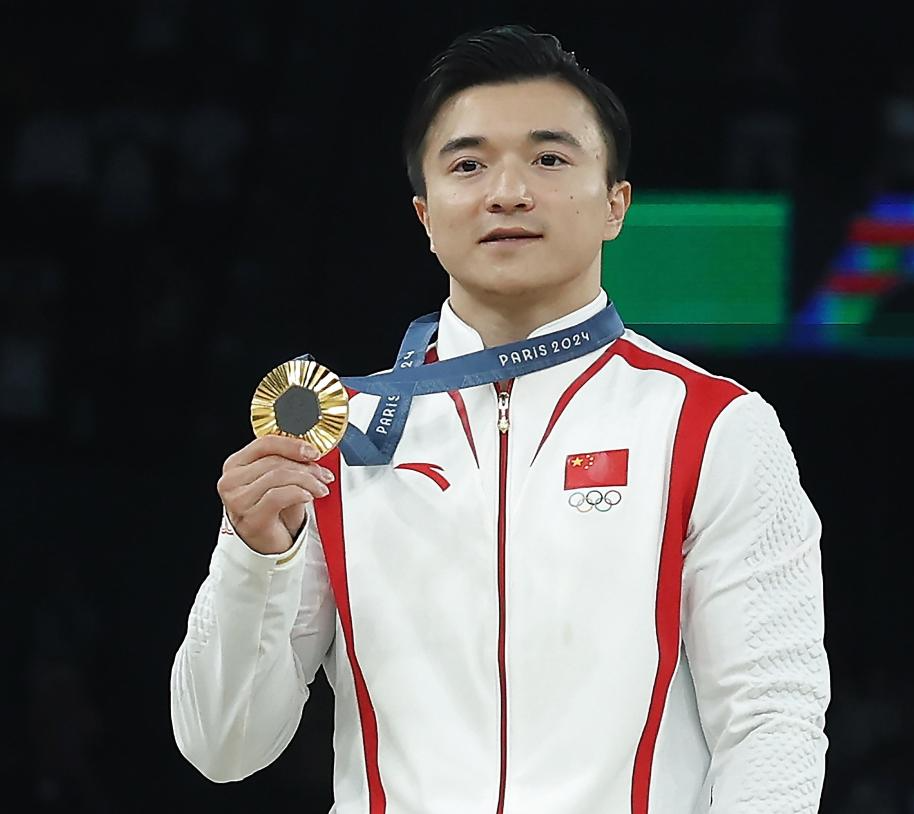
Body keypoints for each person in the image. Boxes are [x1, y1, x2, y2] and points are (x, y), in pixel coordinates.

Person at [171, 24, 831, 813]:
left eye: (549, 159)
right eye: (468, 164)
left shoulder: (711, 427)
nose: (508, 192)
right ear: (424, 213)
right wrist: (253, 557)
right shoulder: (337, 436)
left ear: (616, 204)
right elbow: (223, 746)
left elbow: (771, 719)